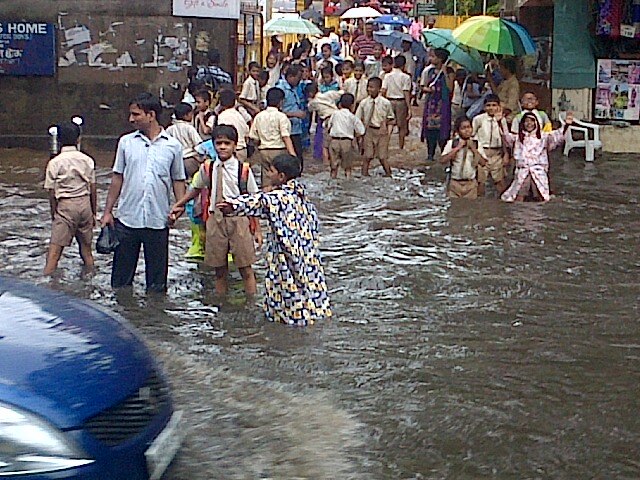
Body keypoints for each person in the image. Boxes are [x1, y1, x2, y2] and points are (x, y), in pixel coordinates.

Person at [216, 153, 331, 326]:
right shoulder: (302, 195)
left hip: (286, 256)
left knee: (287, 294)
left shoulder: (278, 198)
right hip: (308, 255)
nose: (268, 175)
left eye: (271, 171)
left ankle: (291, 325)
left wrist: (233, 206)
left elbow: (257, 202)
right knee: (309, 290)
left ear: (281, 176)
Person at [101, 92, 186, 293]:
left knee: (157, 285)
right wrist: (107, 212)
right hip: (127, 219)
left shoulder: (173, 146)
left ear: (151, 115)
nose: (131, 119)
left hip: (158, 220)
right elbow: (117, 178)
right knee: (120, 282)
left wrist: (178, 208)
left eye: (136, 114)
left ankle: (153, 320)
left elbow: (178, 180)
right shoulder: (126, 142)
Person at [170, 125, 262, 295]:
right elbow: (196, 189)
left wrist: (257, 230)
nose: (222, 147)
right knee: (219, 270)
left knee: (245, 268)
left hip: (239, 220)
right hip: (215, 220)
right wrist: (179, 204)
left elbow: (254, 200)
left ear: (235, 145)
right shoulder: (208, 168)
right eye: (218, 143)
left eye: (227, 143)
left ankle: (251, 302)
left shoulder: (243, 170)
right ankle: (221, 304)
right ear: (213, 145)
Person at [43, 121, 97, 275]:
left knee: (54, 254)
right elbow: (93, 188)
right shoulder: (87, 160)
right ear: (78, 139)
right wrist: (93, 212)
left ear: (58, 140)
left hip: (66, 206)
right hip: (85, 204)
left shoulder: (54, 163)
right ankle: (90, 281)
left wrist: (54, 213)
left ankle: (46, 288)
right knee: (86, 252)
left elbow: (52, 193)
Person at [496, 109, 573, 202]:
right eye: (526, 121)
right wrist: (501, 122)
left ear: (536, 123)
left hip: (538, 171)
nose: (529, 124)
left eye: (532, 121)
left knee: (541, 197)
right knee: (518, 196)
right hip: (523, 171)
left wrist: (566, 125)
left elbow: (558, 137)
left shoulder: (543, 137)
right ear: (523, 124)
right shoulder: (519, 138)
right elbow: (506, 138)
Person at [249, 87, 297, 187]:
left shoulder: (259, 116)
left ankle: (265, 197)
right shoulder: (281, 117)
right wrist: (293, 155)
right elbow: (285, 137)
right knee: (280, 178)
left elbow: (254, 137)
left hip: (264, 151)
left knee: (267, 177)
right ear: (281, 102)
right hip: (278, 150)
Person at [355, 77, 396, 176]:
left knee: (382, 156)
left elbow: (391, 119)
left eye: (372, 87)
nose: (369, 89)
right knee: (367, 156)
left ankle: (389, 174)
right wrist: (359, 135)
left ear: (379, 88)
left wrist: (388, 133)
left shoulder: (385, 103)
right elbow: (357, 119)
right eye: (368, 87)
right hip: (369, 130)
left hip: (382, 131)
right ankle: (364, 174)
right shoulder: (364, 103)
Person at [472, 94, 509, 197]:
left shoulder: (502, 120)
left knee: (500, 181)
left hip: (497, 154)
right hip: (482, 153)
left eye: (494, 105)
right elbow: (472, 137)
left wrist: (506, 154)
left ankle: (501, 205)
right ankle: (480, 205)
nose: (491, 108)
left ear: (498, 107)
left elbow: (505, 138)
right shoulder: (478, 119)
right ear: (484, 107)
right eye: (488, 105)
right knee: (480, 182)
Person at [421, 48, 454, 161]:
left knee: (443, 130)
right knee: (430, 130)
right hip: (431, 105)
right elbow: (424, 86)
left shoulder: (449, 72)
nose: (431, 59)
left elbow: (450, 88)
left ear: (440, 59)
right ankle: (430, 154)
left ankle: (444, 153)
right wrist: (427, 89)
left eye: (433, 56)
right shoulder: (429, 71)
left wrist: (445, 72)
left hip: (443, 105)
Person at [440, 116, 484, 199]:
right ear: (458, 131)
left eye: (469, 127)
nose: (467, 130)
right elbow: (442, 160)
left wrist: (473, 149)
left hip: (471, 184)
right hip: (454, 183)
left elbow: (483, 163)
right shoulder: (452, 143)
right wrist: (458, 148)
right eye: (463, 128)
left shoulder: (477, 144)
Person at [327, 93, 365, 179]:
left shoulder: (335, 114)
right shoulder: (352, 117)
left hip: (334, 141)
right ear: (352, 105)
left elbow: (328, 126)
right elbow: (361, 131)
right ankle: (347, 180)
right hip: (346, 142)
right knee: (348, 167)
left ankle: (332, 180)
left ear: (340, 104)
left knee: (333, 167)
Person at [276, 65, 306, 168]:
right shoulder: (281, 89)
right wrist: (294, 114)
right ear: (290, 77)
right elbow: (275, 110)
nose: (299, 81)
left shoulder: (293, 89)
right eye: (298, 78)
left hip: (295, 129)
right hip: (287, 130)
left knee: (298, 160)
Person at [307, 82, 342, 165]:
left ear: (310, 94)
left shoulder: (313, 102)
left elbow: (309, 109)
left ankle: (326, 162)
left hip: (327, 120)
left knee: (325, 143)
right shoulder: (328, 94)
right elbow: (341, 93)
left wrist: (309, 101)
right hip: (337, 117)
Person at [382, 55, 412, 150]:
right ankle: (401, 146)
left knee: (389, 124)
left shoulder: (387, 76)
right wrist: (409, 108)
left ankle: (385, 144)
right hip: (401, 102)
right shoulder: (406, 77)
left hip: (389, 100)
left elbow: (383, 90)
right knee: (401, 126)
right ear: (404, 65)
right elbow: (406, 92)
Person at [166, 102, 204, 179]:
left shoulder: (169, 129)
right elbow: (198, 145)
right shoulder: (189, 128)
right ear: (186, 115)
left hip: (175, 162)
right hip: (189, 160)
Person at [216, 90, 251, 163]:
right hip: (242, 149)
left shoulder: (222, 116)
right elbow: (246, 132)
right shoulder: (239, 115)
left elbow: (222, 134)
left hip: (231, 151)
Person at [487, 58, 520, 122]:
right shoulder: (504, 81)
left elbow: (511, 106)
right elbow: (496, 94)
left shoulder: (513, 83)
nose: (500, 70)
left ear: (507, 69)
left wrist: (499, 115)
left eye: (501, 68)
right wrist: (490, 80)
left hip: (507, 115)